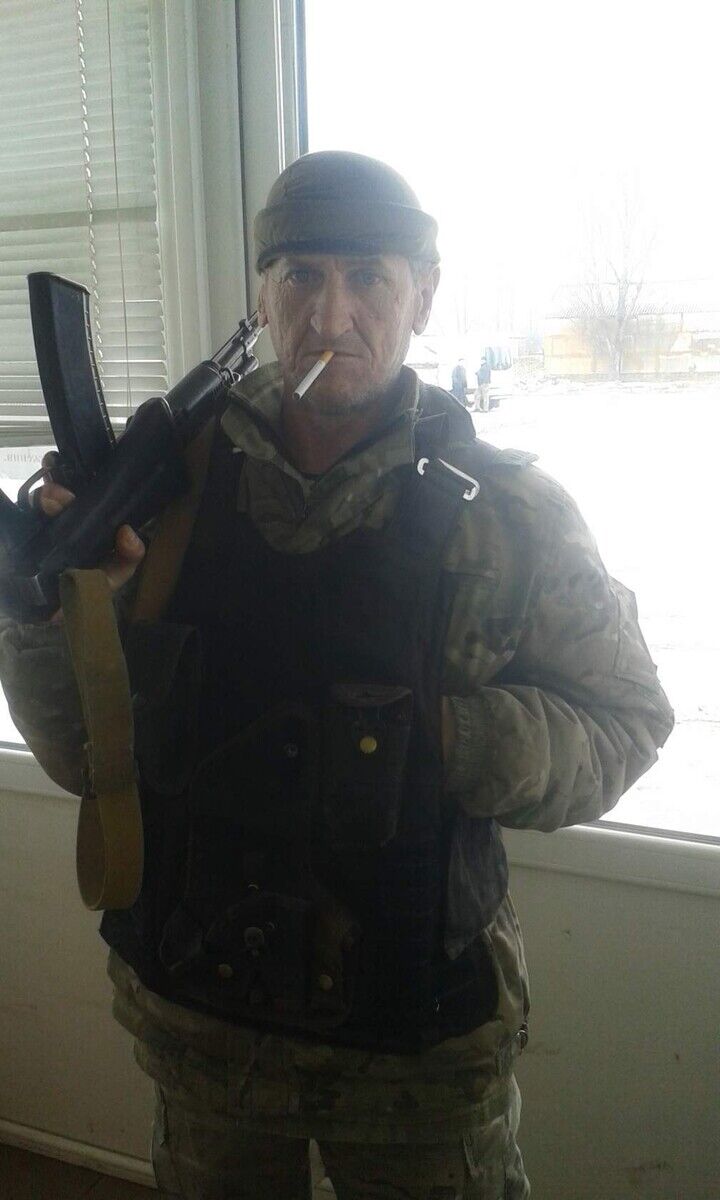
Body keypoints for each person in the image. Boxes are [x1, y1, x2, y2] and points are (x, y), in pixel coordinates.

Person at [0, 151, 674, 1199]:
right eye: (302, 276)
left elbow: (627, 720)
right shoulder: (163, 492)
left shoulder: (507, 514)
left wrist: (450, 740)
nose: (331, 315)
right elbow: (86, 754)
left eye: (369, 278)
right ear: (263, 296)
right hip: (205, 1035)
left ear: (424, 295)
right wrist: (48, 608)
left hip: (417, 1060)